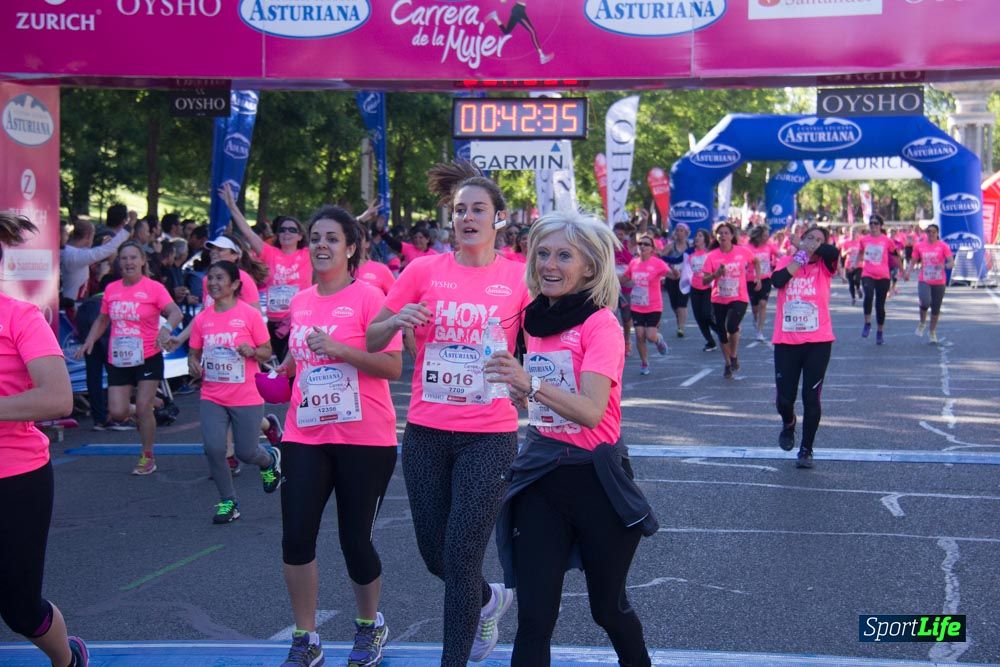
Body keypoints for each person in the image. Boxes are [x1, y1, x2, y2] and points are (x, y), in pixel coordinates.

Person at [365, 161, 529, 666]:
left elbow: (543, 340)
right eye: (460, 210)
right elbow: (372, 338)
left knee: (461, 555)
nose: (468, 217)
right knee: (434, 553)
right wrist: (397, 318)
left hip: (490, 434)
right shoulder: (422, 271)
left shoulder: (520, 276)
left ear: (499, 218)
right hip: (426, 432)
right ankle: (486, 599)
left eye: (479, 209)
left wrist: (528, 378)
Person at [485, 210, 655, 667]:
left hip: (597, 481)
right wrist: (520, 392)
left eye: (564, 255)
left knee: (608, 610)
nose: (549, 264)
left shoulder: (602, 325)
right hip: (542, 478)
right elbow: (540, 396)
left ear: (590, 267)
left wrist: (533, 385)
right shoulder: (533, 318)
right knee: (535, 619)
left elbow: (590, 410)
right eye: (542, 253)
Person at [278, 206, 402, 667]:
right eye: (315, 238)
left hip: (364, 438)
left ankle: (370, 626)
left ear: (351, 249)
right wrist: (282, 370)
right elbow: (301, 360)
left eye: (332, 238)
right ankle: (305, 636)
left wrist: (339, 349)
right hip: (305, 433)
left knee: (355, 539)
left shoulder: (371, 298)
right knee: (295, 537)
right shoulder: (300, 301)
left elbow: (392, 366)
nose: (321, 245)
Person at [0, 213, 90, 667]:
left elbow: (58, 398)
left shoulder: (19, 317)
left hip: (16, 477)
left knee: (18, 607)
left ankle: (68, 659)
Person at [187, 261, 282, 524]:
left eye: (220, 278)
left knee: (247, 452)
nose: (213, 283)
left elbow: (267, 351)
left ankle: (269, 461)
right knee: (214, 449)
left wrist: (253, 351)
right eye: (210, 278)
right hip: (212, 395)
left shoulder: (249, 315)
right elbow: (194, 355)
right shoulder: (202, 319)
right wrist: (193, 365)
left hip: (246, 395)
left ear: (235, 284)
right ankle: (229, 501)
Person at [77, 242, 183, 475]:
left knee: (143, 408)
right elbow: (103, 319)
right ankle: (148, 404)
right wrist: (90, 339)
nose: (128, 262)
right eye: (124, 258)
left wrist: (166, 330)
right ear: (119, 263)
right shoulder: (112, 289)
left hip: (148, 356)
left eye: (133, 257)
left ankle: (147, 456)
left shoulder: (154, 288)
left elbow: (175, 312)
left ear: (143, 261)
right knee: (117, 413)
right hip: (120, 359)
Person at [771, 226, 840, 469]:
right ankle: (789, 423)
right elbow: (778, 281)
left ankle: (806, 449)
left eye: (819, 240)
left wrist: (808, 247)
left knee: (811, 398)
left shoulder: (825, 265)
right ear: (801, 241)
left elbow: (834, 251)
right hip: (786, 341)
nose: (814, 243)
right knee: (784, 400)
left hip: (818, 342)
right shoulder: (785, 261)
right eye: (810, 238)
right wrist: (799, 257)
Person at [221, 183, 309, 362]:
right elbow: (247, 231)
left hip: (298, 321)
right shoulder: (269, 253)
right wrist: (231, 206)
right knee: (281, 371)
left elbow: (331, 233)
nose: (287, 233)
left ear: (300, 236)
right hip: (274, 323)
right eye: (282, 229)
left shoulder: (308, 254)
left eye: (292, 230)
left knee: (293, 368)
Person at [702, 222, 760, 379]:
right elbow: (704, 281)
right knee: (722, 332)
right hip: (719, 298)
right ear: (716, 236)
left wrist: (758, 278)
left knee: (732, 326)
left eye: (726, 233)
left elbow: (756, 261)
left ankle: (733, 355)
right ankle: (728, 363)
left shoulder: (742, 252)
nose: (723, 235)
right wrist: (716, 275)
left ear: (732, 236)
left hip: (739, 297)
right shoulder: (711, 256)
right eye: (720, 233)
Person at [621, 234, 670, 376]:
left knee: (650, 336)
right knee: (639, 335)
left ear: (652, 249)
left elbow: (670, 274)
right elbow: (625, 278)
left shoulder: (657, 263)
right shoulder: (634, 263)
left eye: (646, 244)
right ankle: (644, 362)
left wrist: (674, 273)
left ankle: (658, 340)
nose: (642, 246)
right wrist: (610, 279)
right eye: (640, 243)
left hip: (654, 306)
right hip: (637, 305)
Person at [60, 219, 131, 303]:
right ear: (88, 236)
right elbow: (108, 250)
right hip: (71, 306)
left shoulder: (69, 252)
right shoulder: (75, 256)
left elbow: (88, 254)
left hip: (73, 302)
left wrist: (102, 247)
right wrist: (129, 226)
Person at [907, 223, 954, 344]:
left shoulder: (943, 246)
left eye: (933, 232)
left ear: (937, 233)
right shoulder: (919, 246)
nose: (931, 234)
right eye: (929, 231)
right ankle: (922, 322)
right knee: (925, 301)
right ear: (926, 233)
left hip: (939, 280)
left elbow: (951, 263)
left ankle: (932, 331)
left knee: (935, 308)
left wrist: (943, 266)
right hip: (924, 279)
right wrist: (908, 272)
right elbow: (913, 260)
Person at [858, 214, 898, 345]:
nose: (873, 226)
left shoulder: (887, 241)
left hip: (883, 275)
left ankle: (880, 331)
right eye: (871, 223)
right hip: (867, 273)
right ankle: (867, 323)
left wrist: (903, 271)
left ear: (881, 226)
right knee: (868, 296)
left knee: (880, 305)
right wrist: (856, 264)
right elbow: (860, 253)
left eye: (876, 223)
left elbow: (896, 256)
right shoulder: (864, 240)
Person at [747, 225, 778, 342]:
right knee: (755, 307)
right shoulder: (748, 247)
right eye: (764, 235)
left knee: (763, 303)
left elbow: (780, 254)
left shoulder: (769, 246)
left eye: (767, 235)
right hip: (751, 279)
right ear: (758, 236)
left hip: (765, 278)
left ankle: (760, 331)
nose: (767, 237)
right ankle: (755, 319)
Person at [688, 229, 717, 352]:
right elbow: (686, 270)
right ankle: (710, 342)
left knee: (707, 315)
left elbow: (716, 270)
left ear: (705, 239)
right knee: (698, 317)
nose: (697, 238)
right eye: (696, 236)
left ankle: (722, 331)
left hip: (707, 288)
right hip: (694, 289)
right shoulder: (690, 255)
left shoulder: (710, 255)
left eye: (700, 236)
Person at [661, 223, 691, 338]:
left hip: (685, 278)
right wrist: (669, 268)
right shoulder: (670, 246)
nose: (679, 233)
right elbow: (661, 259)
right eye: (677, 230)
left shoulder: (690, 246)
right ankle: (680, 318)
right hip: (672, 277)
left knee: (682, 304)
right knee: (674, 304)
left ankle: (681, 328)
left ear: (686, 233)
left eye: (682, 231)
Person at [612, 222, 635, 357]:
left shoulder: (628, 245)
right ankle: (615, 344)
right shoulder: (607, 245)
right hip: (612, 286)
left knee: (626, 318)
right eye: (617, 234)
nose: (619, 236)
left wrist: (622, 249)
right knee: (612, 317)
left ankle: (627, 341)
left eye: (621, 234)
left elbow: (631, 260)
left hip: (626, 285)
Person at [839, 226, 864, 306]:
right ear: (849, 233)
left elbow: (864, 253)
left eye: (855, 232)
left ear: (857, 233)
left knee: (857, 279)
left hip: (858, 265)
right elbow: (842, 255)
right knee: (851, 283)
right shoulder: (846, 242)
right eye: (852, 232)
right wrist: (847, 251)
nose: (853, 233)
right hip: (848, 264)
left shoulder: (860, 242)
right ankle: (853, 297)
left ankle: (858, 288)